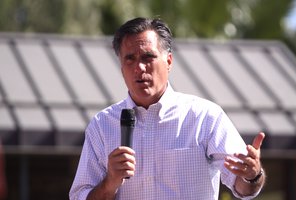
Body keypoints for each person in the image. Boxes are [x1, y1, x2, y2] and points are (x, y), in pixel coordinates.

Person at [69, 17, 266, 200]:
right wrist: (109, 183)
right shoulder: (102, 125)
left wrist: (252, 175)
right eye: (130, 59)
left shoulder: (204, 117)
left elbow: (244, 188)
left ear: (169, 62)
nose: (139, 68)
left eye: (148, 57)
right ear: (122, 69)